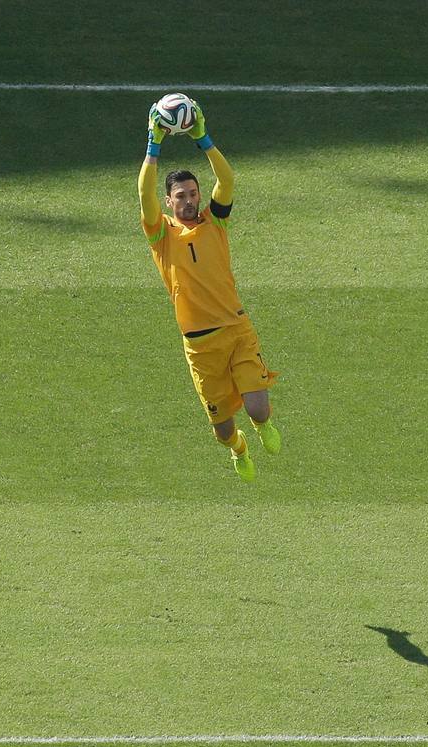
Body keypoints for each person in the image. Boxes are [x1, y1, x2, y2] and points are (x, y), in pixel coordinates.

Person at [138, 100, 281, 482]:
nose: (188, 200)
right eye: (180, 196)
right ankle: (239, 449)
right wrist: (153, 146)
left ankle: (262, 428)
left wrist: (203, 138)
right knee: (222, 431)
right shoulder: (161, 235)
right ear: (169, 201)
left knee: (259, 410)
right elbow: (143, 195)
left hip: (236, 330)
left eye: (192, 193)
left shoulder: (215, 222)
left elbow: (228, 180)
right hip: (200, 346)